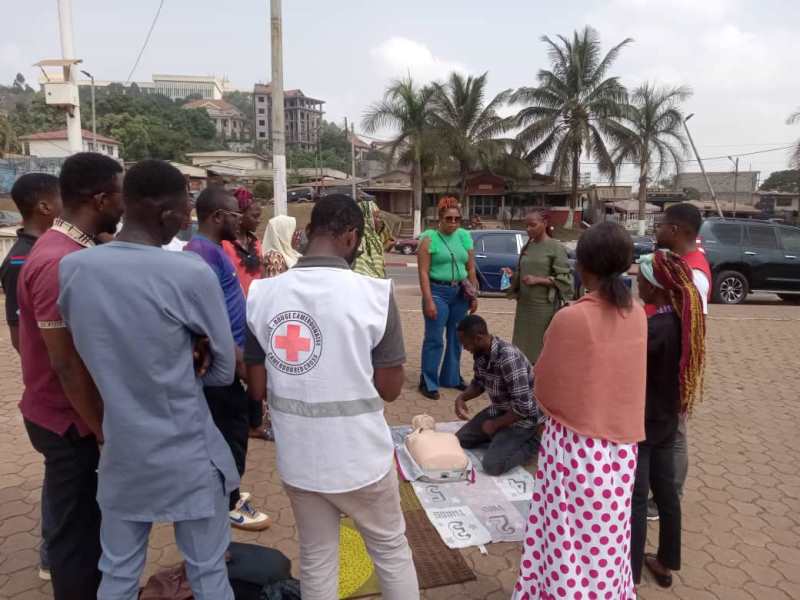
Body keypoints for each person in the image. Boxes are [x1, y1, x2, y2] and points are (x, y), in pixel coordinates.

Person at [58, 160, 240, 600]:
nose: (185, 225)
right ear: (166, 215)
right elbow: (222, 371)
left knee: (118, 572)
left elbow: (82, 356)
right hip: (187, 453)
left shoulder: (74, 270)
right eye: (185, 214)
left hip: (123, 450)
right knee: (208, 573)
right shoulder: (188, 273)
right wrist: (190, 356)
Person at [245, 194, 419, 600]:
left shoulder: (262, 295)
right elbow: (391, 391)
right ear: (351, 237)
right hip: (361, 460)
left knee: (318, 557)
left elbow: (256, 389)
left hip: (299, 459)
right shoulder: (374, 294)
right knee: (391, 550)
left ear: (308, 234)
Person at [513, 222, 647, 600]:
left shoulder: (572, 317)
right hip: (622, 451)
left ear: (582, 265)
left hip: (576, 447)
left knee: (565, 542)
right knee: (607, 544)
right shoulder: (636, 312)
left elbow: (545, 386)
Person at [17, 152, 124, 599]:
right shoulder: (60, 261)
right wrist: (100, 429)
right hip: (68, 421)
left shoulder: (74, 250)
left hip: (70, 416)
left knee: (89, 524)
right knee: (75, 535)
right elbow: (64, 363)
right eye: (121, 194)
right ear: (101, 198)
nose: (126, 204)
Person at [184, 187, 271, 531]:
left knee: (230, 433)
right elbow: (209, 318)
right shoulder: (202, 254)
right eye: (235, 215)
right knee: (230, 434)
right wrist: (239, 362)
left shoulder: (212, 251)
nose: (240, 221)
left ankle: (227, 491)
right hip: (223, 364)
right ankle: (229, 505)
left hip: (231, 356)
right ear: (217, 216)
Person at [630, 251, 706, 589]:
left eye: (640, 280)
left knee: (636, 498)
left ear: (655, 286)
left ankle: (628, 572)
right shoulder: (683, 319)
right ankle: (665, 561)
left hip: (645, 420)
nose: (636, 285)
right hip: (669, 417)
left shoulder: (654, 328)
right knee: (667, 494)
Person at [0, 172, 61, 581]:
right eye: (60, 198)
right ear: (43, 206)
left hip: (54, 384)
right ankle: (51, 555)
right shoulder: (23, 259)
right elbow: (22, 335)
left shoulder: (40, 251)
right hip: (52, 391)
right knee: (62, 477)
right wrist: (47, 373)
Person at [651, 202, 711, 514]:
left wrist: (676, 376)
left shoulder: (694, 273)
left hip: (672, 368)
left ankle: (668, 498)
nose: (657, 229)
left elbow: (692, 330)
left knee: (674, 434)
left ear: (675, 230)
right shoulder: (679, 262)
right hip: (661, 361)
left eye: (661, 224)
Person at [453, 315, 543, 476]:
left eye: (465, 343)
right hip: (502, 409)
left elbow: (523, 407)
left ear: (478, 338)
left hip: (524, 418)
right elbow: (479, 383)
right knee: (460, 440)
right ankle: (502, 437)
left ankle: (534, 441)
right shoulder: (481, 353)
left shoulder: (508, 358)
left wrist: (495, 425)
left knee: (492, 465)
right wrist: (461, 398)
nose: (464, 347)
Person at [417, 196, 478, 400]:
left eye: (456, 219)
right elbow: (423, 272)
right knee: (434, 339)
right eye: (448, 219)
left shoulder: (464, 236)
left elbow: (470, 267)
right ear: (439, 220)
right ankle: (428, 381)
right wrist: (428, 300)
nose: (453, 222)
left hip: (460, 293)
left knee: (457, 337)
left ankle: (451, 378)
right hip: (437, 292)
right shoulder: (429, 238)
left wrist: (474, 296)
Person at [507, 210, 573, 364]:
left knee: (541, 345)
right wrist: (512, 276)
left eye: (533, 225)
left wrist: (539, 280)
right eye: (526, 226)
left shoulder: (556, 247)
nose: (528, 229)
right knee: (522, 344)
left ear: (544, 223)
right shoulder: (527, 246)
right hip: (524, 306)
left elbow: (565, 280)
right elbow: (522, 272)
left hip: (543, 307)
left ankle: (541, 378)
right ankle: (524, 377)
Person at [222, 187, 264, 295]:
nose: (259, 221)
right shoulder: (224, 244)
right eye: (255, 216)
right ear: (240, 215)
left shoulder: (256, 243)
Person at [353, 198, 389, 278]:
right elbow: (361, 266)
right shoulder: (361, 236)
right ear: (367, 217)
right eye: (376, 217)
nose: (380, 220)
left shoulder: (373, 236)